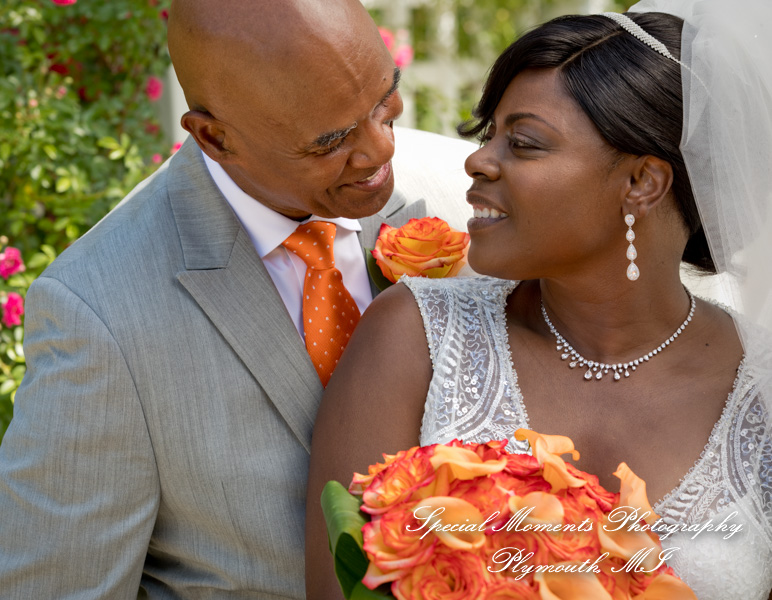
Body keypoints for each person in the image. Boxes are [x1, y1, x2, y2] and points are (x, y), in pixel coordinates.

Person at [0, 0, 476, 598]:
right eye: (332, 139)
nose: (380, 150)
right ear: (215, 137)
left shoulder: (465, 190)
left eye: (384, 100)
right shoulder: (101, 311)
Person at [306, 2, 772, 598]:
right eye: (487, 134)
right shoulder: (414, 337)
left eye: (523, 143)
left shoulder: (760, 384)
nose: (476, 160)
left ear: (642, 182)